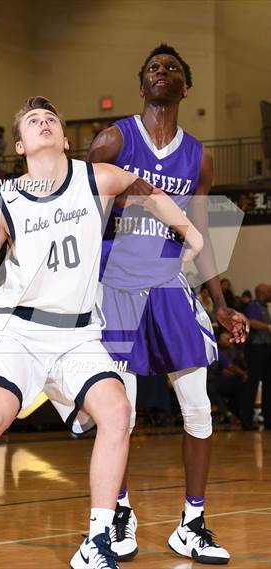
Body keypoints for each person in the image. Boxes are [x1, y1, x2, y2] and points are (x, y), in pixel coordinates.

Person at [0, 96, 203, 569]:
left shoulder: (96, 178)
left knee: (118, 412)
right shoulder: (4, 199)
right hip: (21, 330)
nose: (44, 123)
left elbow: (149, 191)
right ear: (20, 144)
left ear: (63, 136)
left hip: (77, 334)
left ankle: (97, 541)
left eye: (50, 119)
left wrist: (190, 234)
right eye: (33, 121)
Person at [88, 44, 249, 564]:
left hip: (169, 284)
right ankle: (119, 513)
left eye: (173, 68)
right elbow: (77, 209)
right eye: (154, 68)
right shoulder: (115, 138)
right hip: (116, 288)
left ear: (186, 87)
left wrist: (219, 302)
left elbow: (199, 229)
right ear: (142, 85)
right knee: (122, 415)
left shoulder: (199, 155)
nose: (163, 73)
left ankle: (193, 521)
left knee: (199, 408)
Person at [242, 283, 271, 430]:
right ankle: (246, 420)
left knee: (268, 383)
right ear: (262, 293)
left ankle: (268, 419)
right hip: (255, 349)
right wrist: (268, 327)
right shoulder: (254, 306)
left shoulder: (265, 307)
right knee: (253, 383)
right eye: (269, 291)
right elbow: (252, 322)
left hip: (265, 348)